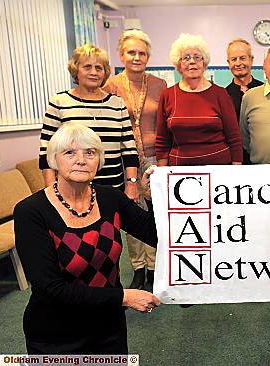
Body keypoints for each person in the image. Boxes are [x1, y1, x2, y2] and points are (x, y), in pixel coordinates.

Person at [15, 123, 161, 354]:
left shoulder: (111, 198)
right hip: (56, 333)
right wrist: (123, 296)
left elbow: (156, 236)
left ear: (99, 161)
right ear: (54, 160)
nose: (81, 160)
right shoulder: (31, 211)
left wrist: (154, 199)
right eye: (70, 152)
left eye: (90, 152)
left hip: (109, 326)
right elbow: (50, 289)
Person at [104, 30, 167, 291]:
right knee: (131, 214)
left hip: (154, 158)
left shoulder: (160, 85)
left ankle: (154, 268)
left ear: (148, 56)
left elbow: (165, 123)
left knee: (155, 215)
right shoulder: (111, 85)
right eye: (131, 52)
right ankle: (138, 268)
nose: (137, 57)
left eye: (142, 53)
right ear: (121, 55)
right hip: (125, 159)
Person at [39, 44, 139, 198]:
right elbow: (46, 149)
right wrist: (50, 189)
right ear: (76, 70)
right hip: (72, 189)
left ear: (105, 72)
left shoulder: (117, 104)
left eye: (99, 68)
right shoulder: (59, 102)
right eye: (87, 67)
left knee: (112, 223)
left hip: (113, 188)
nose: (94, 72)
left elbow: (129, 149)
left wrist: (132, 183)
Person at [156, 33, 242, 166]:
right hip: (179, 170)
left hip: (219, 170)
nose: (192, 61)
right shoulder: (167, 95)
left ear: (204, 63)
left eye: (197, 57)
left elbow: (234, 137)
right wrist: (162, 174)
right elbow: (162, 141)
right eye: (186, 58)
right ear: (178, 64)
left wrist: (236, 168)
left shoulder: (220, 94)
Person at [225, 38, 264, 164]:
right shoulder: (223, 95)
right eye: (233, 59)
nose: (238, 63)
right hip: (235, 161)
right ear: (228, 62)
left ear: (251, 60)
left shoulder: (265, 91)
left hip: (263, 159)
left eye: (242, 58)